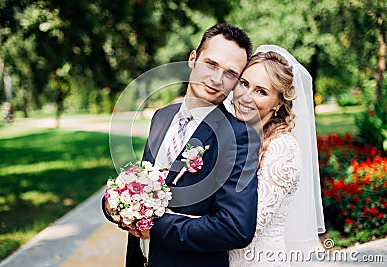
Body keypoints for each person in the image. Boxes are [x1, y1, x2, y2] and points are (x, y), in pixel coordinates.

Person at [102, 23, 261, 267]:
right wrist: (116, 203)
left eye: (230, 73)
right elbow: (143, 184)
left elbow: (235, 227)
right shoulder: (162, 116)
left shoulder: (240, 137)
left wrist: (155, 226)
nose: (217, 79)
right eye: (211, 64)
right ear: (192, 59)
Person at [227, 45, 325, 266]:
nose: (245, 96)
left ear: (279, 102)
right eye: (244, 84)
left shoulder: (282, 149)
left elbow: (249, 225)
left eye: (261, 91)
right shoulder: (235, 137)